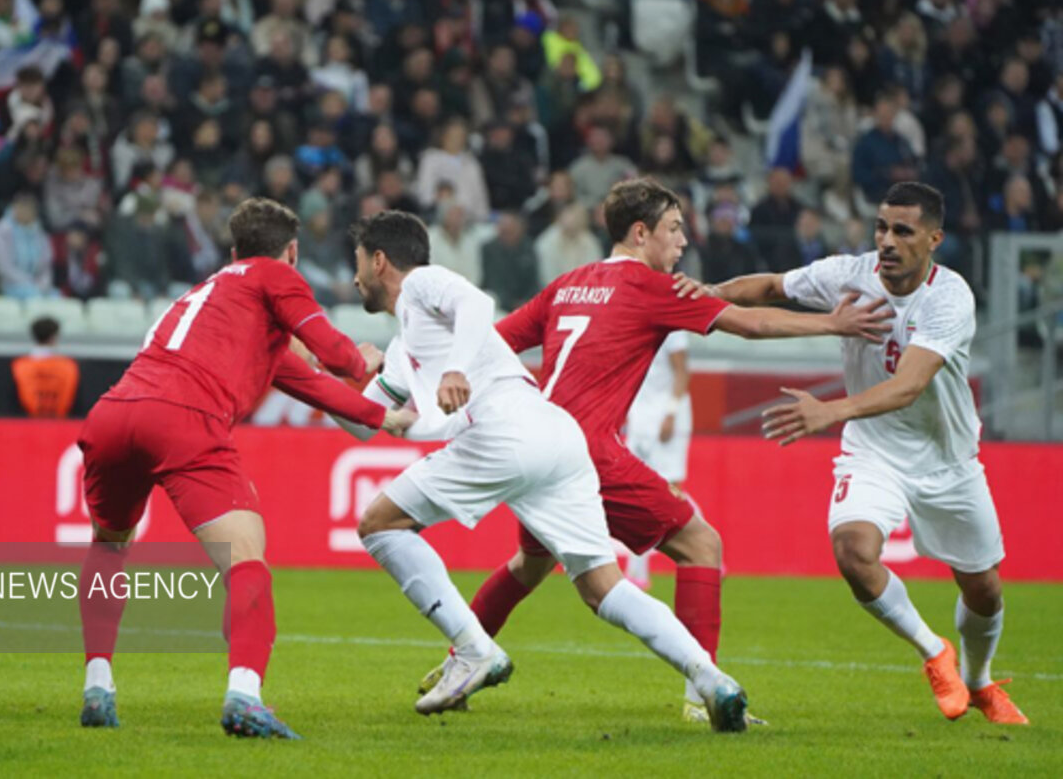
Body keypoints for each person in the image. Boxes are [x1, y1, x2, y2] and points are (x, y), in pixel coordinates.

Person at [432, 178, 894, 723]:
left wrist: (445, 375)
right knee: (702, 544)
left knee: (530, 565)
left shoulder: (568, 283)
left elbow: (494, 342)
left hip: (533, 444)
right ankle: (706, 697)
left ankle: (460, 662)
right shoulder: (651, 286)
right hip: (586, 453)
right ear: (640, 232)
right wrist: (833, 323)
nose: (682, 243)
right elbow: (751, 324)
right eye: (674, 230)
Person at [340, 210, 753, 732]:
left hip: (504, 434)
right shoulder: (403, 351)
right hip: (559, 439)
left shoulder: (422, 283)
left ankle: (471, 650)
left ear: (380, 262)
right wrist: (334, 371)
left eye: (357, 264)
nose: (353, 278)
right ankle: (712, 680)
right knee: (604, 586)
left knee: (378, 524)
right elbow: (360, 423)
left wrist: (454, 369)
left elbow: (476, 302)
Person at [678, 182, 1028, 725]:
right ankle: (934, 652)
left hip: (948, 459)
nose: (886, 241)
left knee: (983, 589)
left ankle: (980, 683)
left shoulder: (949, 297)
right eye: (881, 227)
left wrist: (829, 410)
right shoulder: (852, 273)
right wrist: (702, 292)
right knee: (853, 551)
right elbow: (772, 286)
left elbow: (909, 385)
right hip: (874, 451)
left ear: (934, 239)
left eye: (902, 231)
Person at [75, 197, 415, 738]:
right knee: (247, 563)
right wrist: (362, 359)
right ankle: (244, 696)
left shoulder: (210, 299)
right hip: (185, 420)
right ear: (293, 253)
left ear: (232, 250)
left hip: (114, 415)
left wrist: (386, 418)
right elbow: (330, 355)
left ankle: (97, 685)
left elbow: (309, 382)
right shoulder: (272, 275)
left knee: (109, 544)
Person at [623, 330, 692, 589]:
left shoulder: (674, 329)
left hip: (667, 418)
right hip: (640, 418)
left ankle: (637, 572)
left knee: (671, 491)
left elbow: (682, 371)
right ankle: (637, 572)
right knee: (635, 490)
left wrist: (671, 412)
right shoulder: (632, 319)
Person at [12, 317, 80, 419]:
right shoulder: (69, 366)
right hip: (63, 425)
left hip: (25, 425)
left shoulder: (19, 365)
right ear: (54, 337)